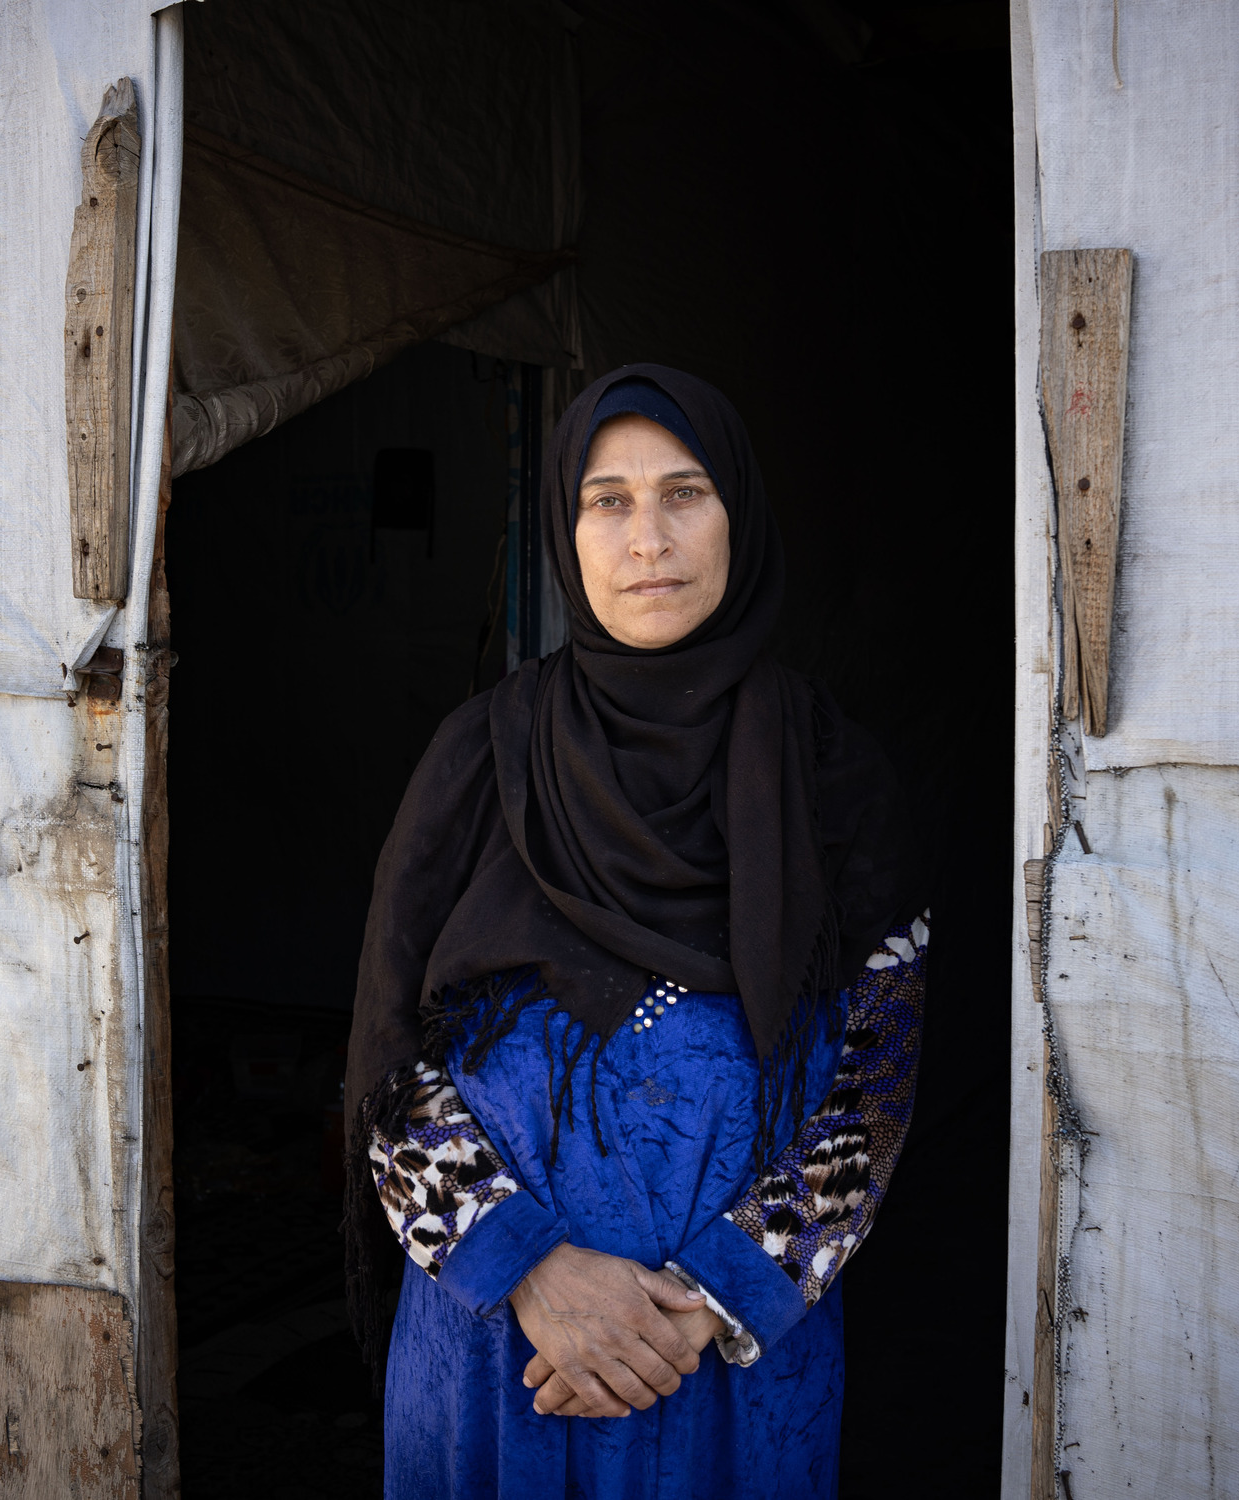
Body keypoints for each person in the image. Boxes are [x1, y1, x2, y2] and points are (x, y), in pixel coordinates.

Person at [340, 365, 927, 1499]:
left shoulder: (832, 774)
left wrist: (710, 1300)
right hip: (501, 1354)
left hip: (731, 1370)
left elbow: (880, 1078)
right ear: (566, 531)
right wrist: (529, 1271)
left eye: (685, 493)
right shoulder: (479, 757)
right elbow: (384, 1062)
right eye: (607, 499)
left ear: (739, 517)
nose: (646, 537)